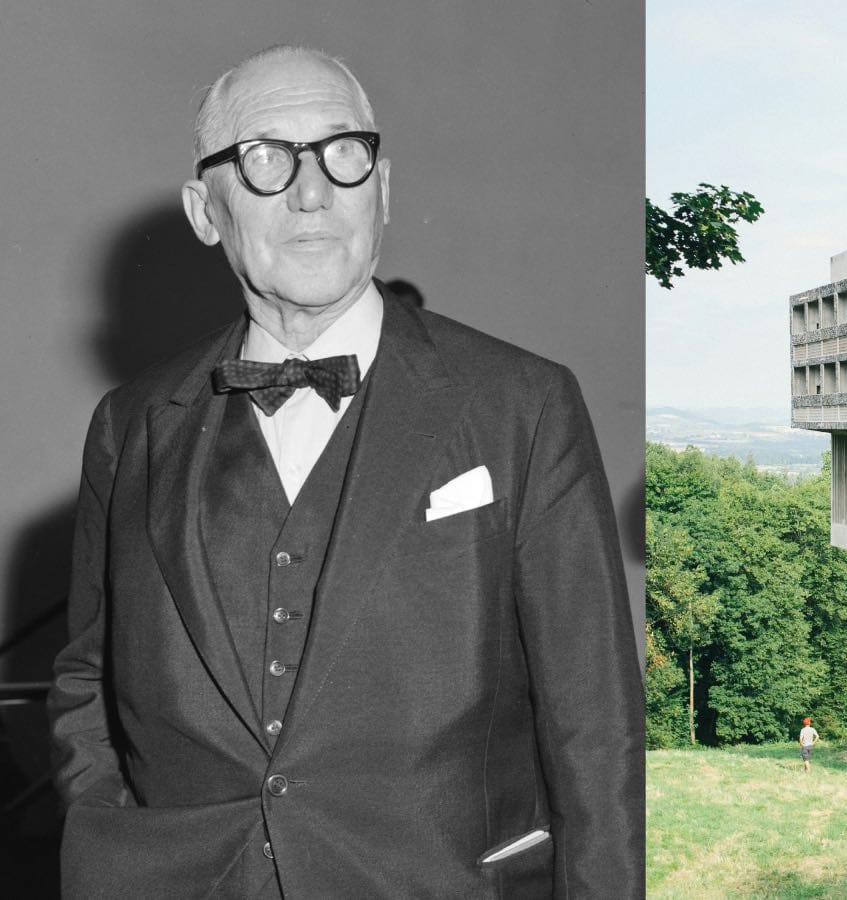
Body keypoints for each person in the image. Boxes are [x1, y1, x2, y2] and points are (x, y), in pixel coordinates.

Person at [46, 45, 642, 898]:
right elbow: (85, 680)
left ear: (384, 189)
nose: (313, 190)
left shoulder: (523, 403)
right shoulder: (130, 424)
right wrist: (112, 843)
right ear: (203, 210)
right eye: (265, 160)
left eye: (343, 153)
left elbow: (598, 722)